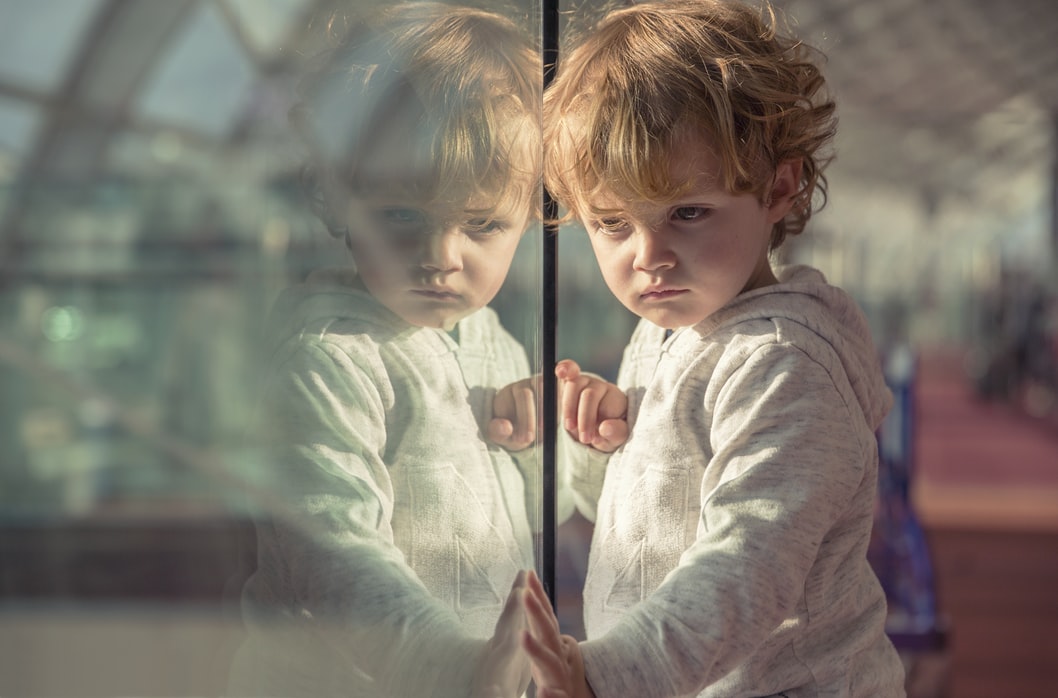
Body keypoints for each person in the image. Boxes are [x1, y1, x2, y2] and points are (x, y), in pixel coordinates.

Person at [522, 1, 907, 696]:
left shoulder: (782, 366)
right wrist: (603, 447)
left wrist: (604, 677)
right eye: (612, 223)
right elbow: (651, 515)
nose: (650, 257)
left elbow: (746, 566)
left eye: (687, 213)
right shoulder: (672, 331)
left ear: (779, 190)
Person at [226, 4, 551, 696]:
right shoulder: (328, 357)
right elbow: (334, 553)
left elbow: (532, 514)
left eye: (483, 224)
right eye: (402, 216)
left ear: (531, 215)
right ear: (338, 198)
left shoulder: (488, 339)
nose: (440, 257)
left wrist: (559, 437)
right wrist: (456, 669)